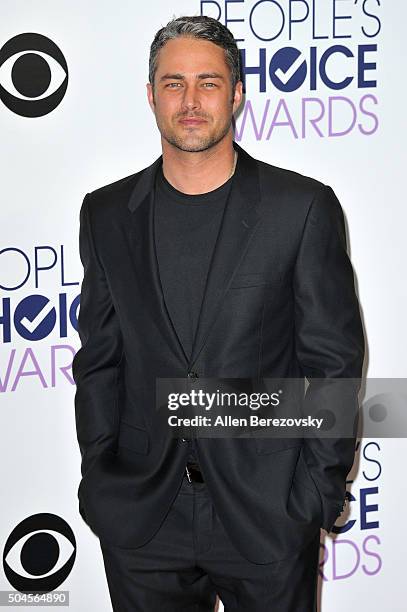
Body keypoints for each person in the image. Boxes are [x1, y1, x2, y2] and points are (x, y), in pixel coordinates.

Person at [72, 15, 365, 611]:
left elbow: (333, 362)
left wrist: (313, 494)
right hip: (143, 520)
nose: (190, 101)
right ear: (150, 95)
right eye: (173, 83)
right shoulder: (105, 214)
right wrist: (101, 477)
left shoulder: (301, 208)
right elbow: (99, 360)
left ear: (236, 94)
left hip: (266, 513)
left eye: (208, 82)